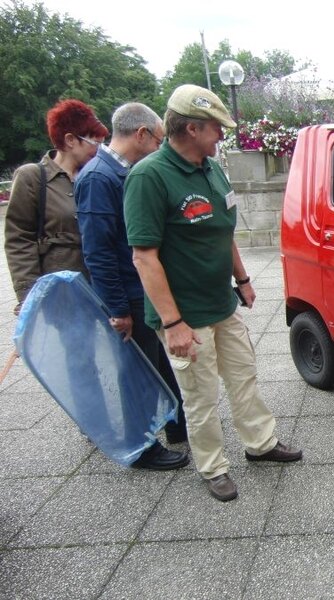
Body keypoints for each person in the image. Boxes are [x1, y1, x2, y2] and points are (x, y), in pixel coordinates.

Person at [124, 84, 302, 502]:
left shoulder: (211, 168)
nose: (222, 135)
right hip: (185, 315)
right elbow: (144, 258)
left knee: (244, 378)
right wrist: (173, 323)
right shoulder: (149, 177)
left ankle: (260, 444)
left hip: (222, 303)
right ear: (189, 128)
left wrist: (242, 279)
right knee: (200, 397)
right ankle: (213, 467)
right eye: (215, 128)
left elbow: (224, 230)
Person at [74, 102, 189, 471]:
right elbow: (98, 252)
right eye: (157, 138)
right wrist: (119, 310)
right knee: (136, 373)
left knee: (158, 365)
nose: (159, 146)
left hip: (141, 291)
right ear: (141, 134)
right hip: (128, 293)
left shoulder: (118, 172)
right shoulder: (98, 178)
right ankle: (141, 447)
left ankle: (176, 422)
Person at [4, 99, 108, 312]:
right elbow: (19, 240)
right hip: (58, 296)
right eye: (94, 142)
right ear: (70, 140)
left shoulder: (93, 177)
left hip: (98, 292)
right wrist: (29, 298)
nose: (99, 150)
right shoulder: (32, 177)